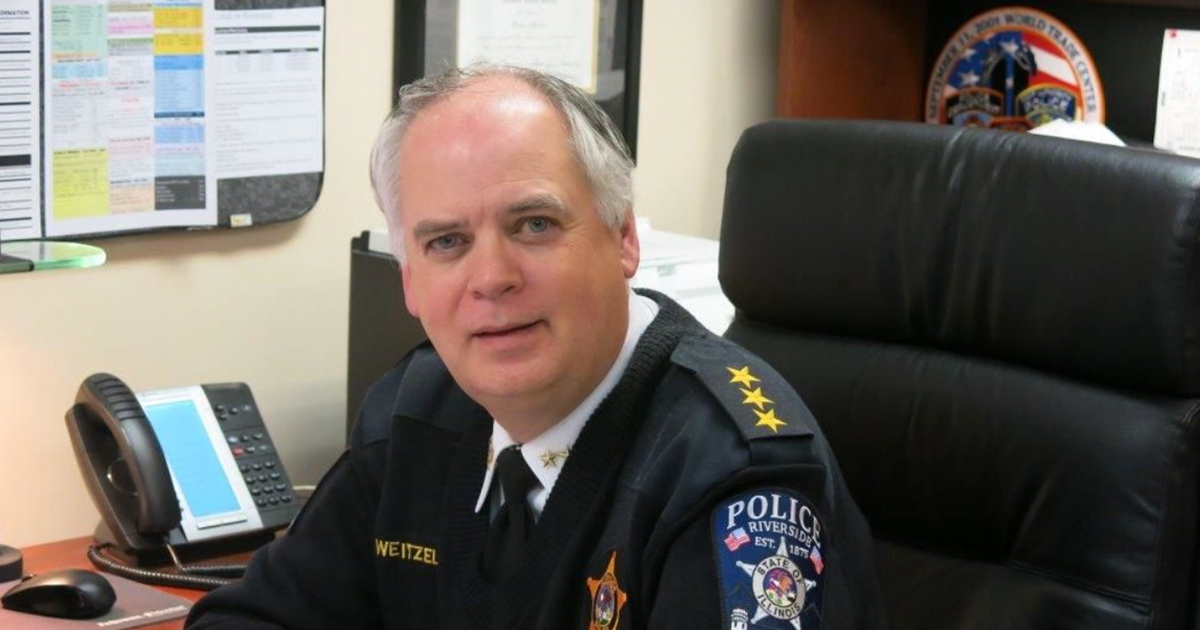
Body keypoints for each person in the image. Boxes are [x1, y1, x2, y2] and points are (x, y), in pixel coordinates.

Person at [185, 64, 886, 630]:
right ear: (409, 282)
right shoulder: (417, 410)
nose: (491, 277)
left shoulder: (734, 474)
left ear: (623, 238)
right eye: (447, 242)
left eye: (534, 224)